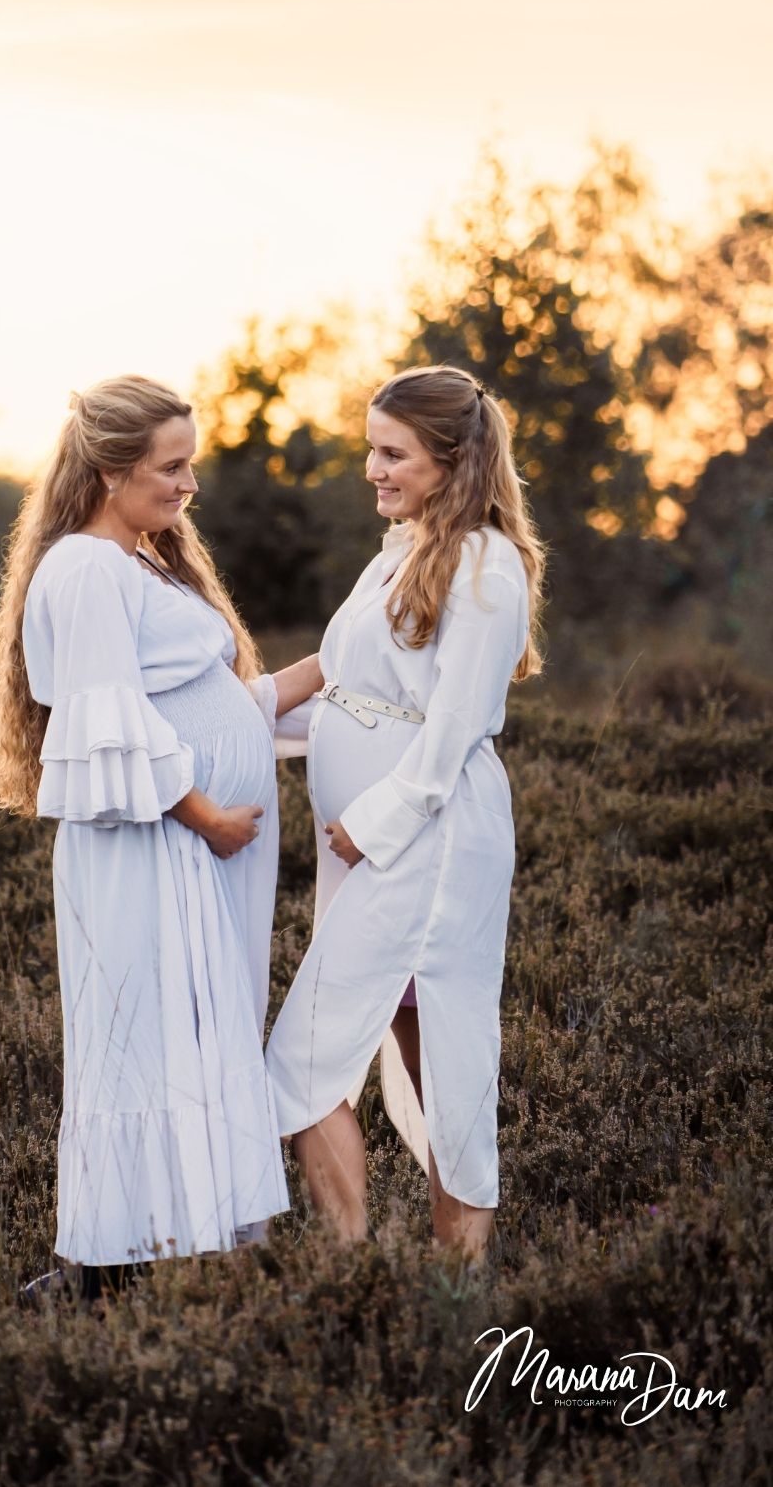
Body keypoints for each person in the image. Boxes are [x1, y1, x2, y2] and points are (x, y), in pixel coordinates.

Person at [0, 375, 292, 1298]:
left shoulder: (141, 561)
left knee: (185, 1035)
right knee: (143, 1042)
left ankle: (179, 1250)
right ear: (112, 471)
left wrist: (341, 670)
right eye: (172, 466)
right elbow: (104, 719)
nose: (189, 484)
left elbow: (201, 704)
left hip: (190, 850)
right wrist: (207, 815)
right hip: (151, 849)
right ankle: (102, 1270)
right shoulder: (84, 568)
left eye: (190, 463)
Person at [264, 364, 546, 1262]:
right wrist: (229, 719)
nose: (373, 471)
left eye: (393, 454)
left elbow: (455, 724)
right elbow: (350, 687)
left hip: (425, 846)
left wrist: (375, 822)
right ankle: (437, 1280)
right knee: (424, 1052)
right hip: (370, 854)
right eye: (372, 452)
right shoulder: (402, 547)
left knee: (312, 1063)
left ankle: (378, 1276)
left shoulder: (486, 565)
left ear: (451, 458)